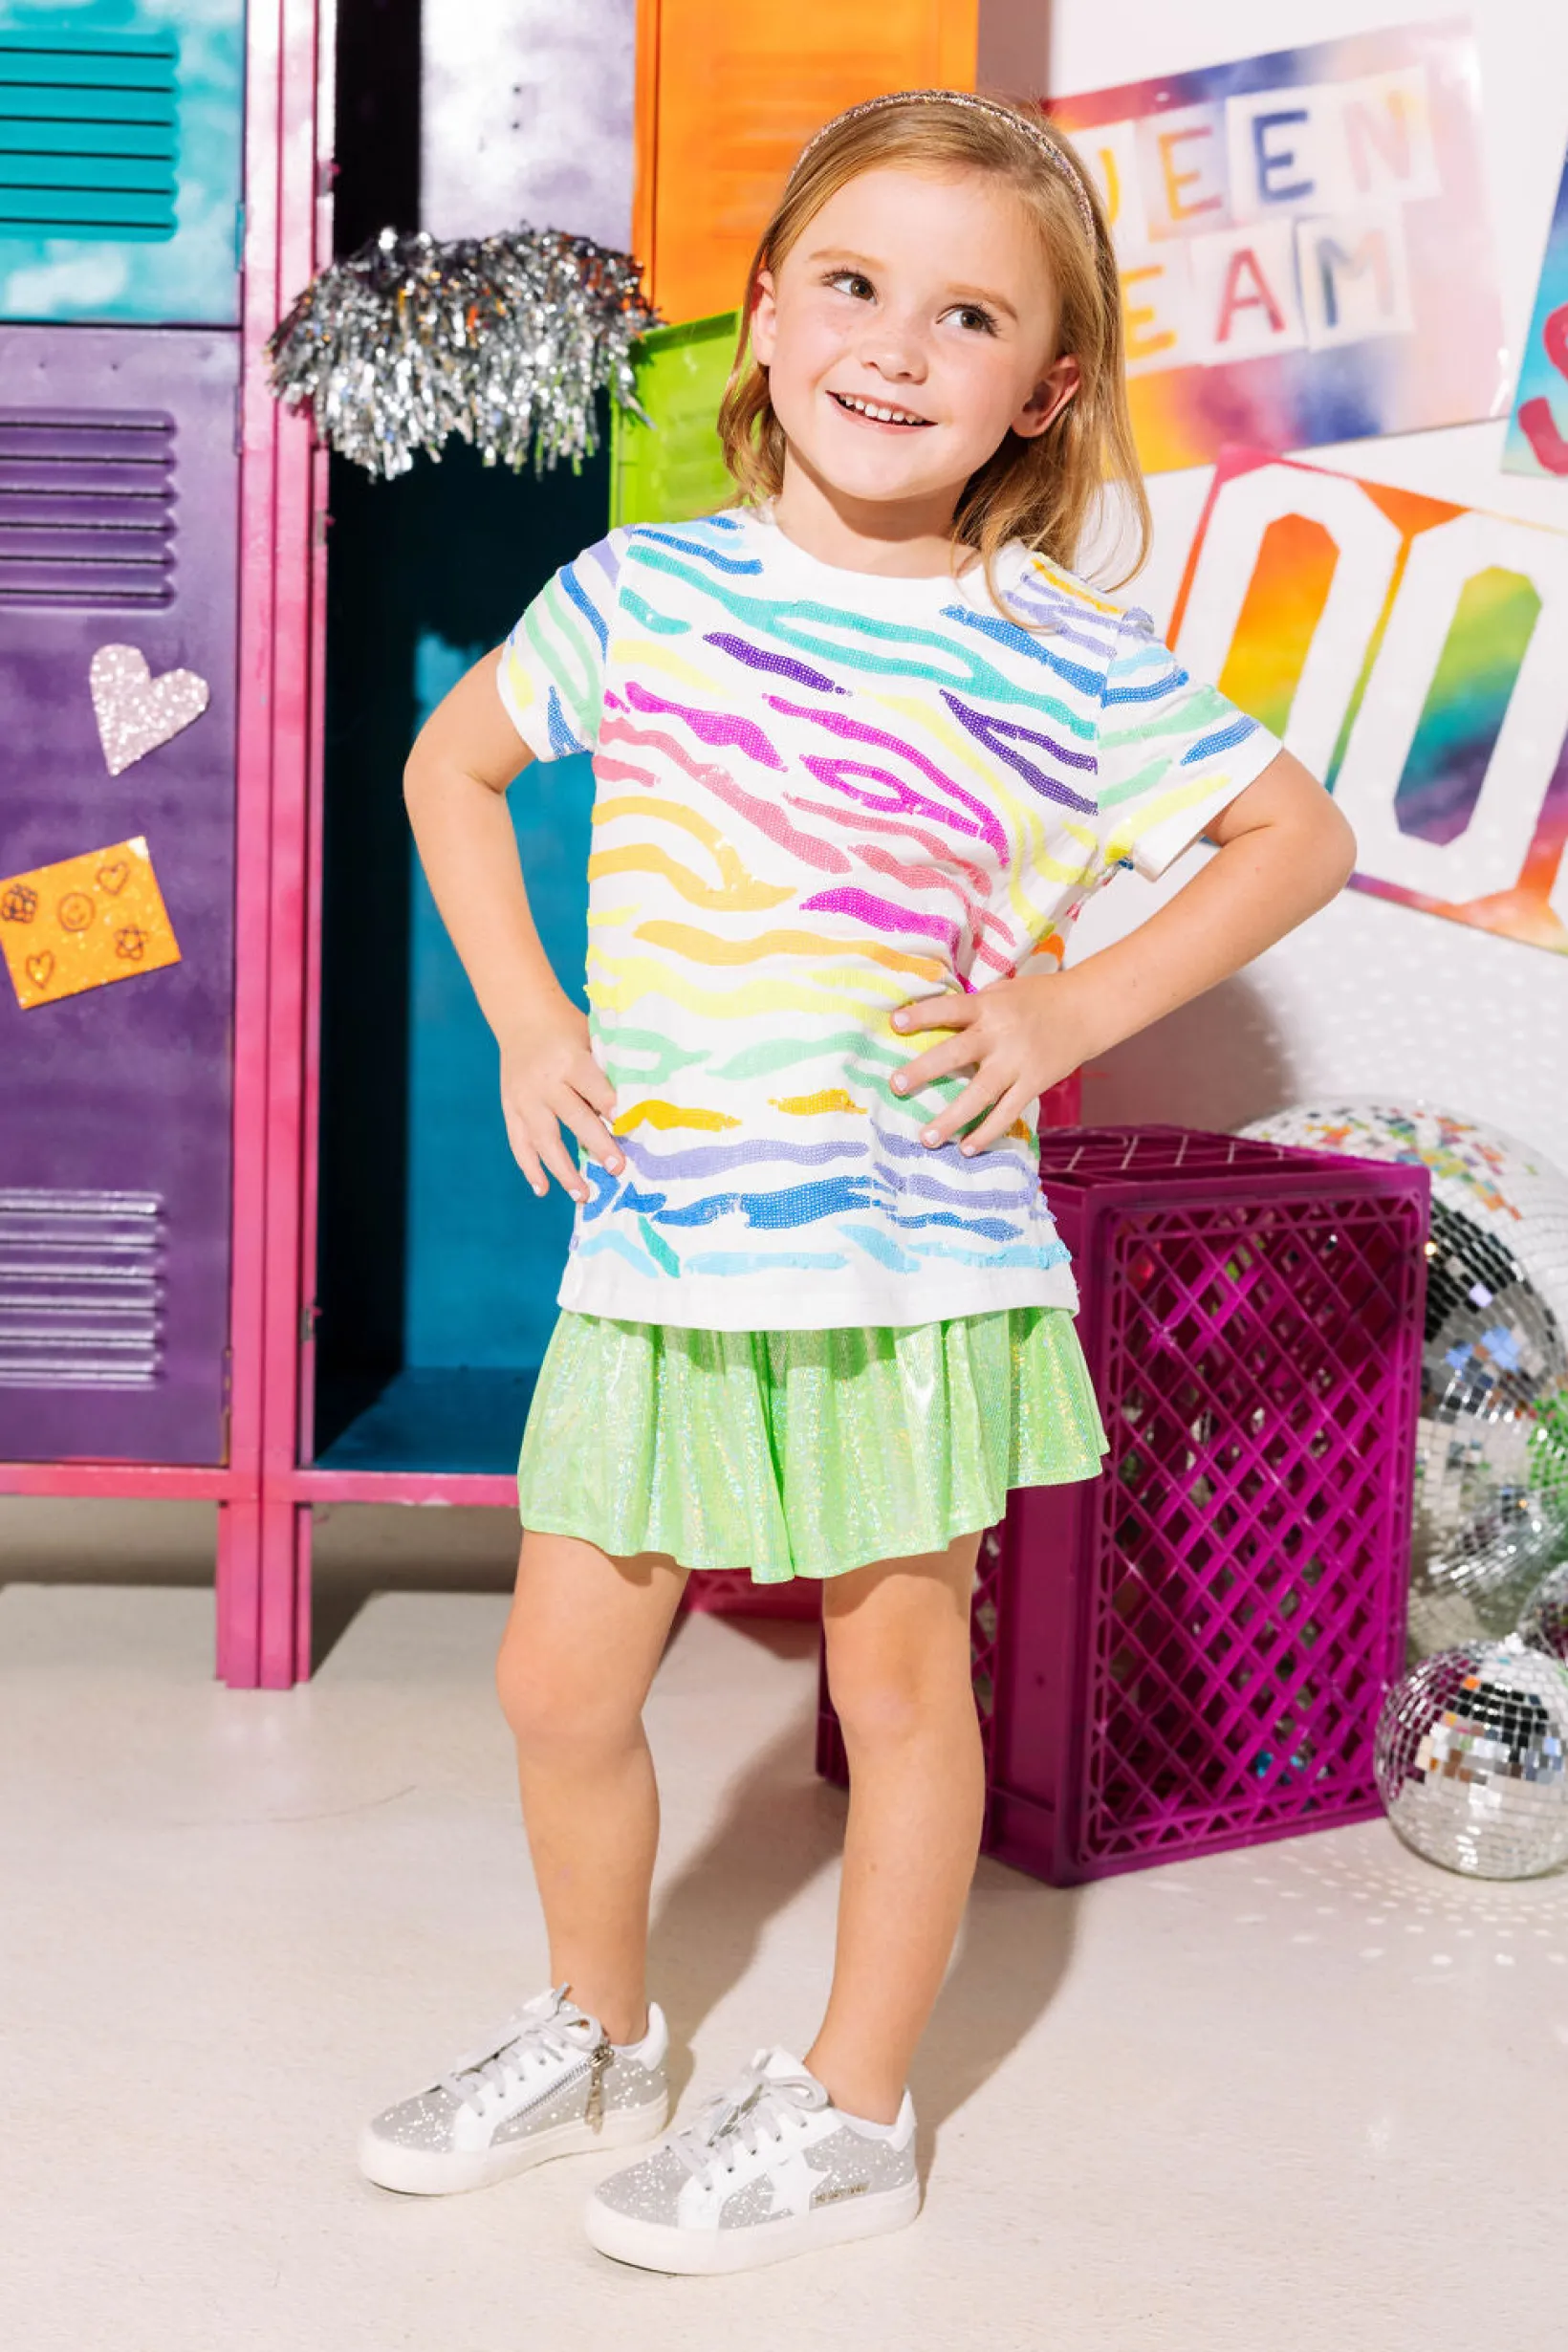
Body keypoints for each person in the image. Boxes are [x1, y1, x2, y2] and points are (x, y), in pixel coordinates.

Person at [358, 88, 1356, 2275]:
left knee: (897, 1699)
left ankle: (850, 2109)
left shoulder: (1053, 649)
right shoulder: (644, 589)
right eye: (853, 283)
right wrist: (530, 1015)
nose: (896, 345)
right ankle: (602, 2032)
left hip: (907, 1264)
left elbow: (1296, 835)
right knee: (554, 1688)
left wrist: (1068, 1010)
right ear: (766, 314)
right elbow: (451, 762)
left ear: (1045, 391)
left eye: (967, 314)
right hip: (656, 1253)